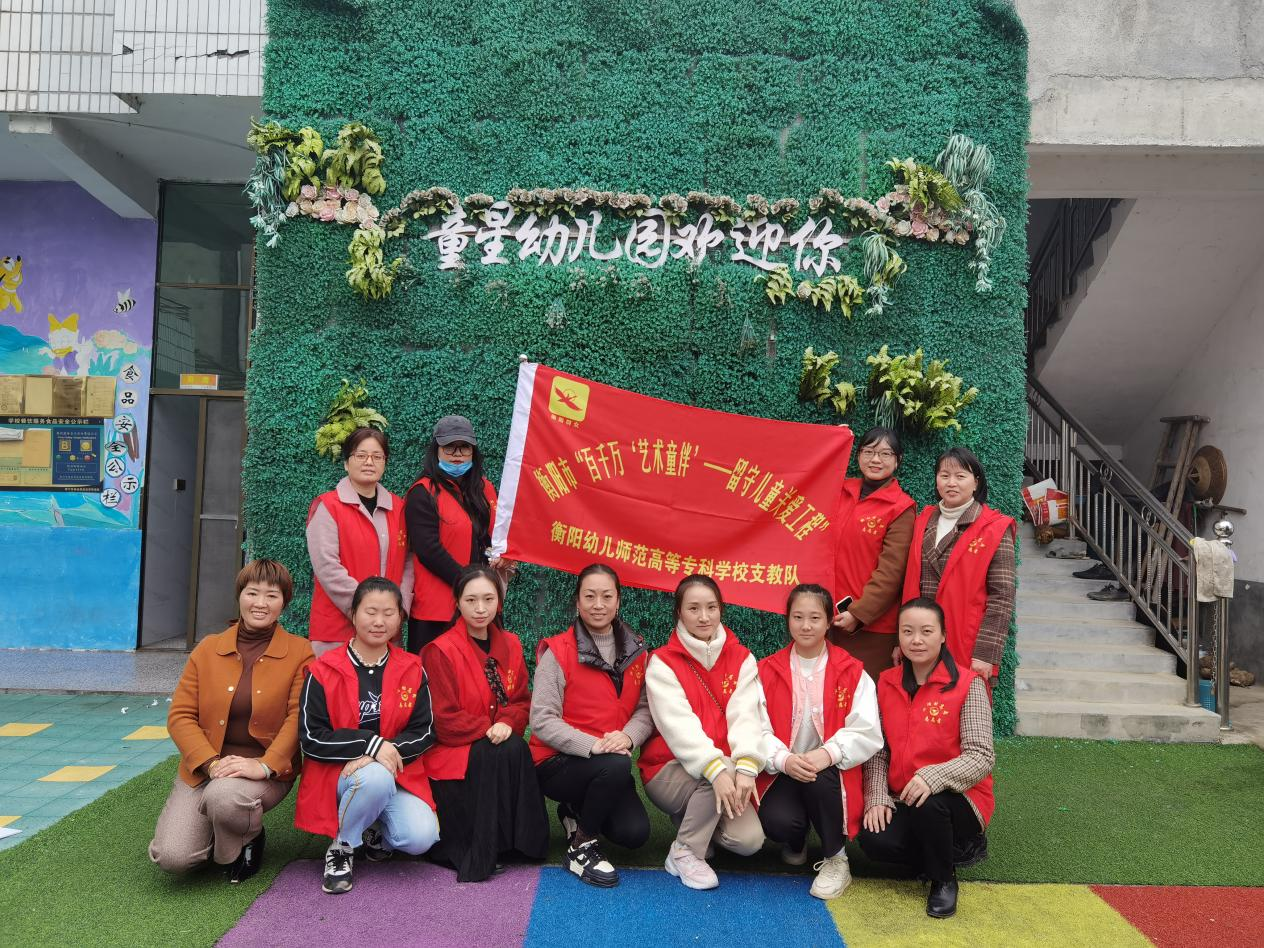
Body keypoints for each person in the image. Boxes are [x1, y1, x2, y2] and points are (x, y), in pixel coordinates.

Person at [150, 560, 312, 882]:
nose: (261, 604)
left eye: (272, 595)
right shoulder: (208, 649)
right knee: (173, 857)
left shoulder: (301, 652)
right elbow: (181, 715)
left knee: (224, 797)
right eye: (253, 593)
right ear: (240, 596)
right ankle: (221, 828)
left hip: (262, 772)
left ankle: (245, 839)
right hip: (206, 768)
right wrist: (210, 764)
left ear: (284, 602)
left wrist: (265, 765)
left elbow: (298, 717)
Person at [295, 577, 439, 895]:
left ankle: (373, 830)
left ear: (400, 617)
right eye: (370, 611)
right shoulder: (323, 670)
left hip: (394, 772)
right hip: (340, 776)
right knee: (372, 777)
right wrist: (372, 746)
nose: (379, 621)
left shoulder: (412, 668)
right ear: (353, 614)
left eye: (389, 613)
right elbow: (311, 736)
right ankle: (342, 847)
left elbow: (425, 730)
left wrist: (384, 754)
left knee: (420, 838)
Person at [858, 598, 995, 919]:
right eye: (907, 632)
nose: (916, 640)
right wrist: (877, 796)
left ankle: (943, 879)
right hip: (904, 795)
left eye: (926, 631)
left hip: (959, 799)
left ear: (943, 635)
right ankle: (954, 850)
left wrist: (932, 777)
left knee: (930, 804)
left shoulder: (967, 685)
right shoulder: (886, 683)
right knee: (874, 839)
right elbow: (879, 749)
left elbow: (981, 756)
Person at [529, 564, 653, 887]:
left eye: (606, 596)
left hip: (609, 763)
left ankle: (575, 811)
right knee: (613, 764)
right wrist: (592, 744)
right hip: (557, 763)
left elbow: (645, 709)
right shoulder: (557, 651)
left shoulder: (637, 651)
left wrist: (627, 736)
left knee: (634, 832)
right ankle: (581, 846)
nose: (598, 604)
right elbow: (541, 720)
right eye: (590, 596)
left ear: (618, 601)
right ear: (577, 602)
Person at [640, 574, 766, 891]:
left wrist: (748, 768)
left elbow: (746, 717)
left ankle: (693, 825)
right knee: (716, 772)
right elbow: (679, 728)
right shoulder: (662, 663)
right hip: (667, 769)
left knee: (748, 841)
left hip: (729, 767)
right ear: (679, 613)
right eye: (693, 608)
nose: (704, 616)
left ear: (721, 609)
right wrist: (717, 770)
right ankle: (683, 853)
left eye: (711, 607)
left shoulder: (743, 658)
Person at [422, 566, 548, 882]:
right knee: (494, 751)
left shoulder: (512, 644)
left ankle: (519, 843)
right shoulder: (440, 651)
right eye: (471, 600)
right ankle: (476, 848)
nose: (480, 609)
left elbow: (520, 700)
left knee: (514, 746)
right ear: (457, 603)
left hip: (496, 741)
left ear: (499, 602)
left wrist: (507, 722)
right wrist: (486, 729)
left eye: (488, 599)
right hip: (454, 751)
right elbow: (443, 718)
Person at [758, 584, 883, 900]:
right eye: (797, 616)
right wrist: (783, 759)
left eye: (815, 617)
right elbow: (753, 728)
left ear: (829, 621)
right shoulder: (766, 670)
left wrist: (828, 753)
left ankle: (836, 859)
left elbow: (867, 730)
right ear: (787, 620)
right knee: (777, 822)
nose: (805, 625)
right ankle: (795, 839)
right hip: (783, 768)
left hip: (830, 771)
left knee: (820, 780)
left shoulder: (852, 671)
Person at [902, 446, 1016, 684]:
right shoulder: (923, 519)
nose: (951, 483)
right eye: (944, 475)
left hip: (965, 639)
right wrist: (899, 639)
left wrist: (986, 654)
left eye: (960, 476)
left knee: (963, 713)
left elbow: (1002, 597)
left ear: (976, 482)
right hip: (919, 640)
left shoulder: (995, 528)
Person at [306, 427, 413, 657]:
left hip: (386, 630)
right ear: (346, 462)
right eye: (361, 455)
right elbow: (327, 568)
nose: (369, 462)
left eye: (377, 456)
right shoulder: (328, 507)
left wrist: (397, 610)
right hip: (337, 630)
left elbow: (409, 563)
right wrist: (365, 609)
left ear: (385, 463)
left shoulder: (400, 508)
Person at [404, 415, 502, 653]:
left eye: (464, 447)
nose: (457, 454)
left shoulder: (484, 488)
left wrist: (503, 556)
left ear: (473, 452)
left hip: (481, 606)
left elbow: (495, 536)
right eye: (449, 447)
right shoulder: (422, 493)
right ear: (436, 450)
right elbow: (428, 550)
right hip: (438, 611)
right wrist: (468, 584)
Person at [829, 426, 916, 681]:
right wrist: (833, 441)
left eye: (885, 453)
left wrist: (859, 613)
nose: (875, 459)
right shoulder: (839, 491)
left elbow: (892, 571)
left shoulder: (901, 507)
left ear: (897, 461)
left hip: (871, 628)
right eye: (868, 451)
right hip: (827, 618)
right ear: (858, 456)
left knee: (863, 701)